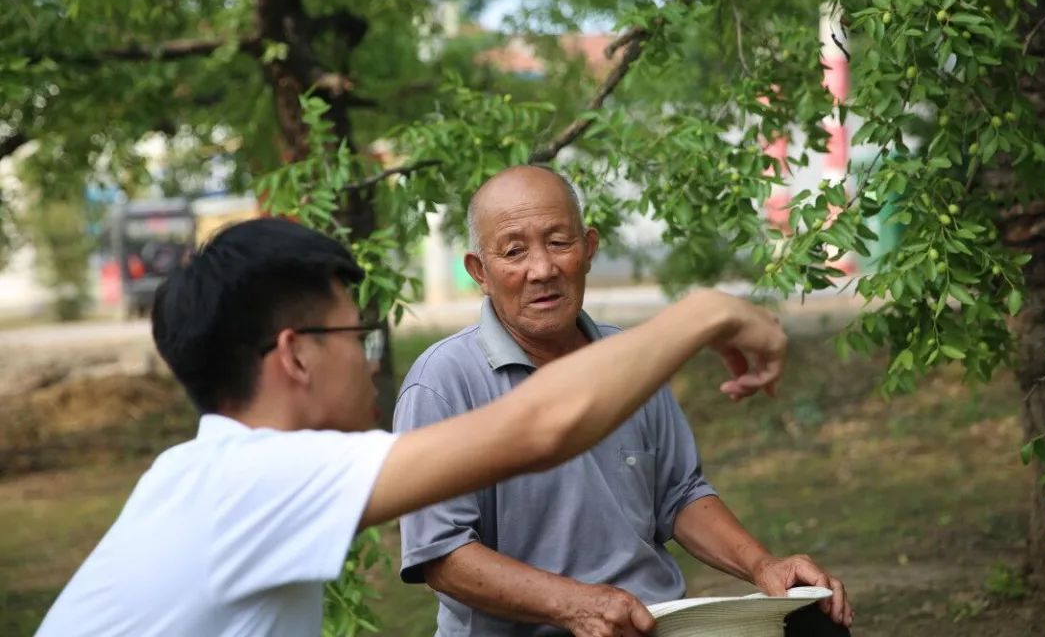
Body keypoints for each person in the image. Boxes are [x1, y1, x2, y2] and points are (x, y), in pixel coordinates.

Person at [36, 216, 791, 637]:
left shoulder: (203, 478)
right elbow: (538, 428)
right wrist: (704, 312)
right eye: (355, 337)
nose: (372, 365)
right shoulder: (251, 480)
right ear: (296, 356)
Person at [394, 166, 854, 637]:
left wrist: (763, 565)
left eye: (559, 242)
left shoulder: (632, 361)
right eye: (514, 251)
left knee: (814, 627)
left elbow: (680, 494)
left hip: (649, 625)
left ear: (589, 248)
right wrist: (574, 606)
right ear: (479, 272)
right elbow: (442, 555)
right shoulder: (443, 382)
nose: (543, 269)